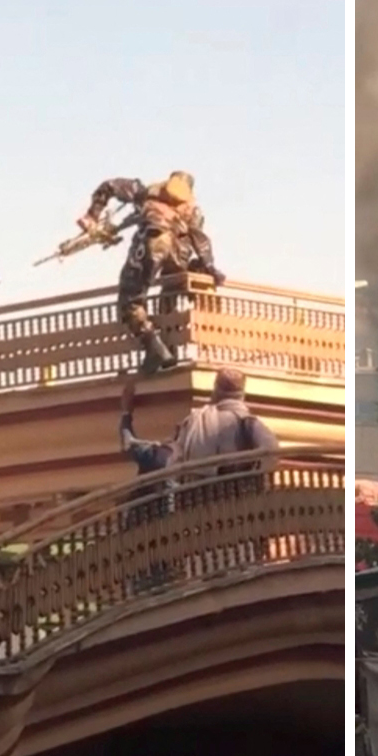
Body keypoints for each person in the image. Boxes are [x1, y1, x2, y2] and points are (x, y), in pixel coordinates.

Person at [78, 171, 226, 374]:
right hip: (178, 252)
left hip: (153, 240)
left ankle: (155, 348)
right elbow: (200, 240)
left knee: (130, 301)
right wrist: (210, 267)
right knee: (171, 289)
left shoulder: (144, 191)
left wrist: (92, 215)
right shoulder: (192, 210)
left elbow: (109, 186)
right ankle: (169, 348)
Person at [166, 367, 279, 480]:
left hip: (196, 492)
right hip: (236, 492)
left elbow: (173, 456)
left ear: (215, 390)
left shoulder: (193, 420)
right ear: (242, 394)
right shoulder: (247, 422)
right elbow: (271, 451)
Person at [119, 378, 177, 523]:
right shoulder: (190, 450)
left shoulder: (157, 455)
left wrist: (126, 413)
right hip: (177, 523)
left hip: (146, 522)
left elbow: (128, 442)